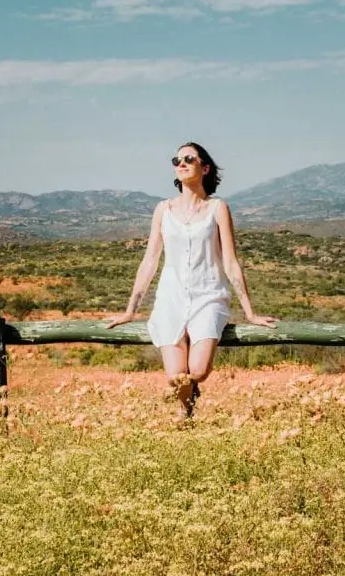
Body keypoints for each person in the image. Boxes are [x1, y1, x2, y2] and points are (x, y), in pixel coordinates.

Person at [105, 142, 276, 419]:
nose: (181, 163)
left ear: (204, 168)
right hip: (170, 299)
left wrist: (250, 313)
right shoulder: (164, 209)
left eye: (189, 159)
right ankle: (186, 415)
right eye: (177, 159)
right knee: (175, 376)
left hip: (208, 296)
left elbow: (231, 262)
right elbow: (150, 261)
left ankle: (190, 397)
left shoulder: (218, 208)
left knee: (197, 371)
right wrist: (130, 311)